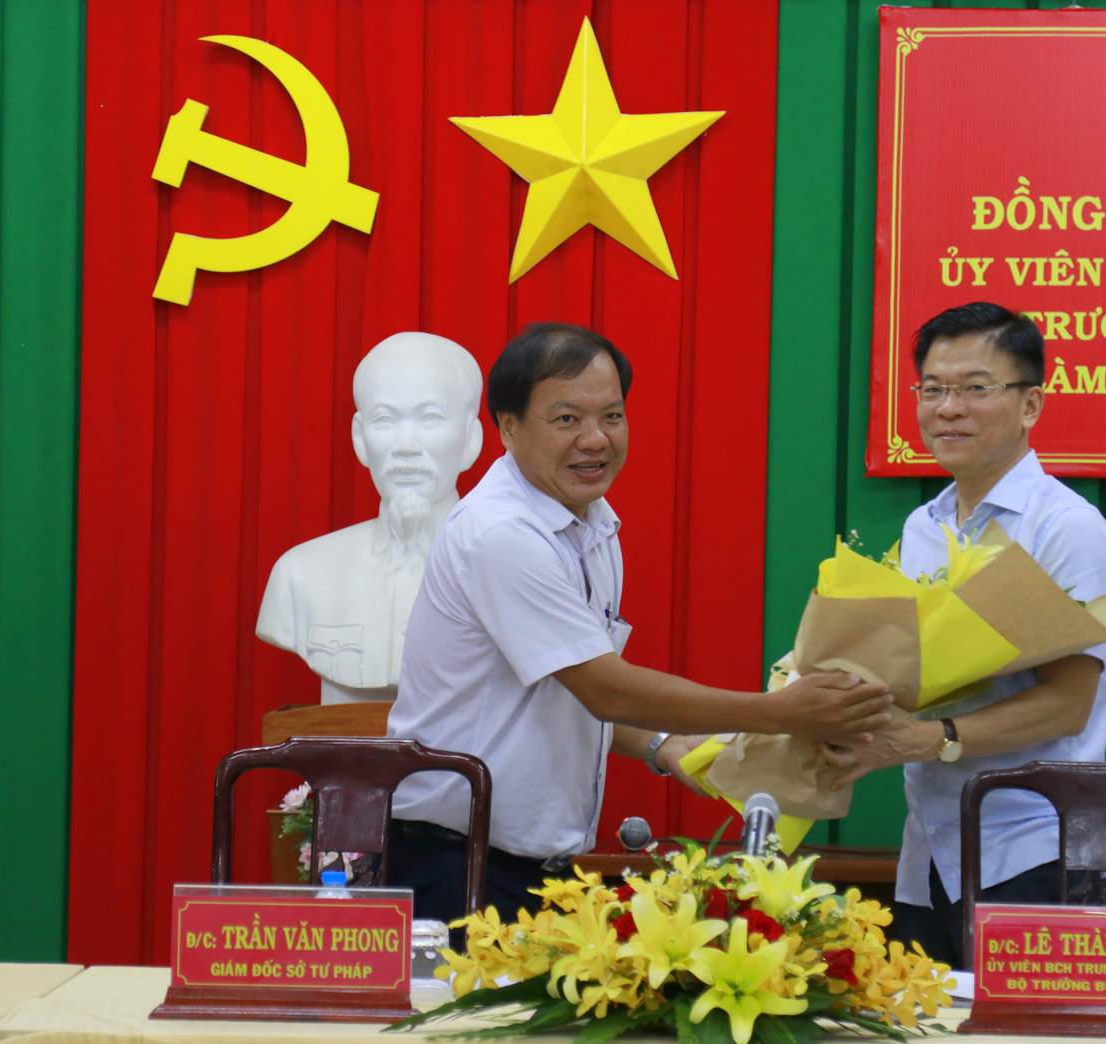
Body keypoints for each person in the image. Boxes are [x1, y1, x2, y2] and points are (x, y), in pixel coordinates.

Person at [386, 322, 895, 922]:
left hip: (534, 870)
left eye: (612, 417)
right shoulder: (502, 533)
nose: (595, 439)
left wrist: (663, 745)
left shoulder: (592, 523)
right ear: (508, 426)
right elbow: (604, 688)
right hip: (457, 865)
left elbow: (562, 688)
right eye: (567, 419)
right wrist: (782, 712)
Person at [820, 302, 1106, 968]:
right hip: (931, 846)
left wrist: (929, 738)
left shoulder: (1066, 529)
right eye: (933, 389)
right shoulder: (924, 527)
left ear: (1030, 404)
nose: (948, 408)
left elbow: (1068, 704)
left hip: (1036, 849)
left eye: (976, 388)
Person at [256, 332, 484, 702]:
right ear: (360, 439)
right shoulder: (300, 573)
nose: (406, 446)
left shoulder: (511, 568)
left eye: (429, 418)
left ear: (471, 439)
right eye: (385, 420)